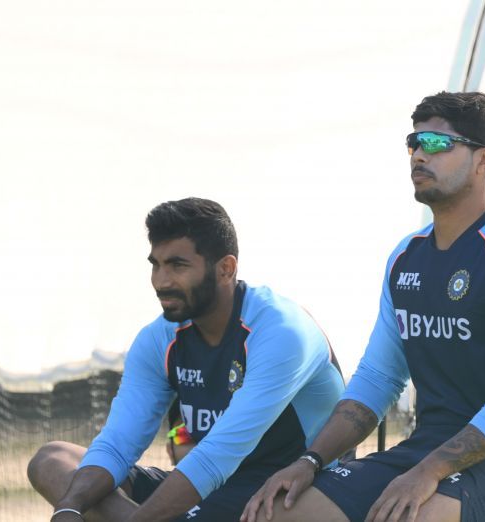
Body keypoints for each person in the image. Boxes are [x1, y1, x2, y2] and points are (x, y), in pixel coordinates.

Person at [241, 91, 485, 522]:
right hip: (427, 447)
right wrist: (310, 461)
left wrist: (429, 472)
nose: (418, 154)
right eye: (413, 143)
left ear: (483, 159)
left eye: (436, 144)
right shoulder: (404, 256)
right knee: (280, 511)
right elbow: (377, 378)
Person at [27, 197, 345, 522]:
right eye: (155, 264)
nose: (161, 281)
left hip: (289, 491)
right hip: (207, 486)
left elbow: (216, 457)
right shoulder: (158, 339)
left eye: (177, 266)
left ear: (226, 268)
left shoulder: (280, 331)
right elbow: (118, 444)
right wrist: (71, 506)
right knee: (53, 460)